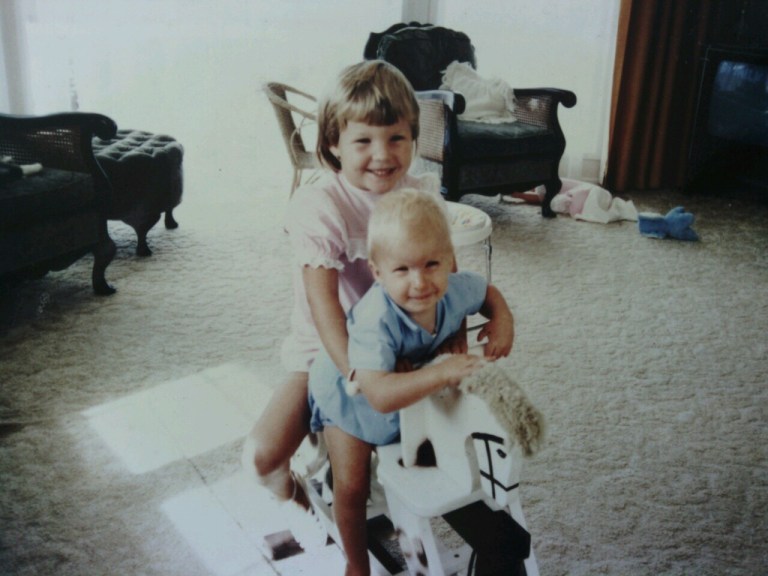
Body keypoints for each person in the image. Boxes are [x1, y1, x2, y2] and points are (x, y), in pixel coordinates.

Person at [241, 60, 447, 548]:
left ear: (414, 138)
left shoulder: (419, 196)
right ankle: (302, 502)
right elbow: (323, 307)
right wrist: (357, 373)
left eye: (397, 138)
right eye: (363, 141)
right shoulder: (321, 206)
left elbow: (443, 274)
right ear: (333, 143)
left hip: (401, 346)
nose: (382, 155)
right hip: (326, 355)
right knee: (263, 457)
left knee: (438, 451)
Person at [308, 188, 515, 576]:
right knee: (352, 487)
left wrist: (502, 319)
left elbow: (489, 293)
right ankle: (356, 565)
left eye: (431, 264)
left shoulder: (457, 289)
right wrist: (441, 371)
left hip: (411, 392)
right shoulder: (376, 319)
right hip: (352, 399)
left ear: (450, 261)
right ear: (378, 272)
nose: (419, 282)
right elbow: (380, 396)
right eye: (402, 270)